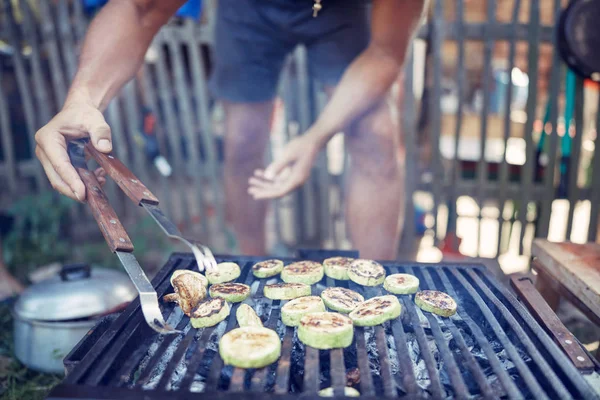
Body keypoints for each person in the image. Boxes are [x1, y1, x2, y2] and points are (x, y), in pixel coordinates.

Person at [34, 0, 426, 259]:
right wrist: (83, 99)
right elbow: (140, 10)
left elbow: (386, 54)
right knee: (242, 139)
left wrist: (315, 138)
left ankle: (378, 283)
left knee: (376, 134)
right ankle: (255, 270)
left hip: (342, 10)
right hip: (248, 9)